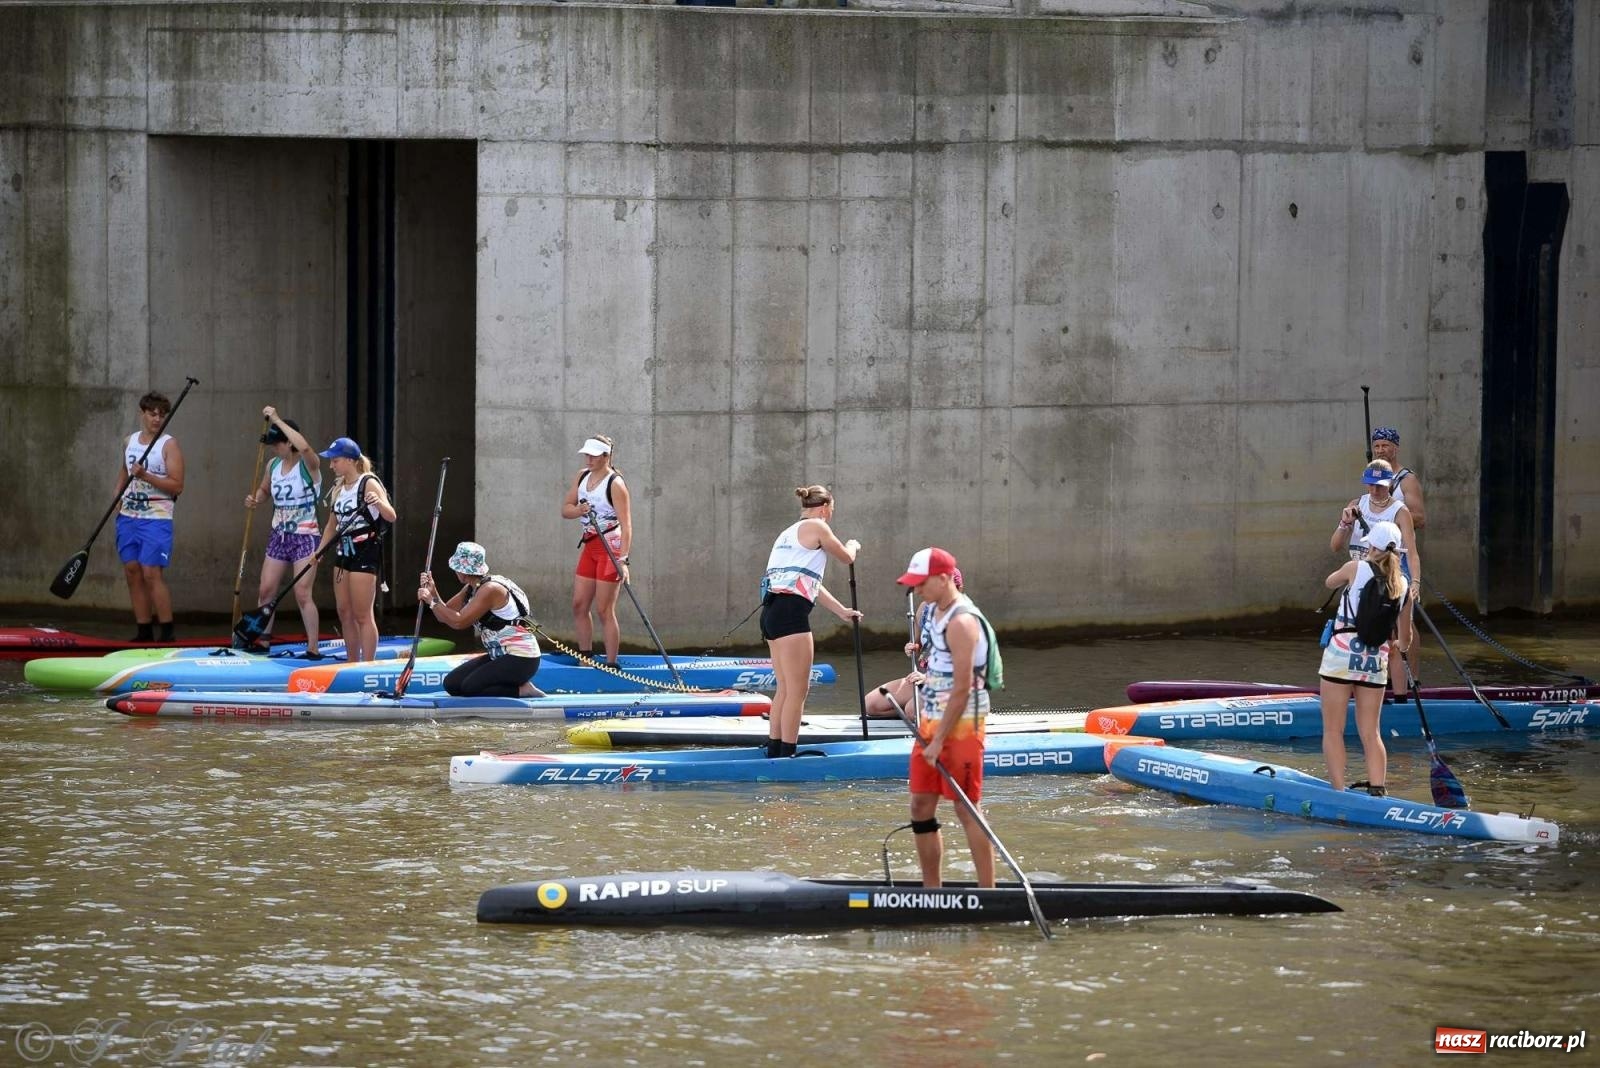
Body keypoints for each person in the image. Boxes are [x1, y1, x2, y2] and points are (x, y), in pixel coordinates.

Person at [896, 548, 995, 888]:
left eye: (920, 584)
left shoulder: (962, 622)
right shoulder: (934, 612)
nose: (916, 591)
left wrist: (939, 741)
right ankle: (932, 891)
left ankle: (989, 894)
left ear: (942, 579)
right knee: (920, 805)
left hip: (963, 726)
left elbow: (964, 689)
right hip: (932, 723)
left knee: (966, 809)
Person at [760, 485, 861, 758]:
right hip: (791, 614)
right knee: (798, 690)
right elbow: (846, 556)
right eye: (831, 511)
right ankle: (788, 753)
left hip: (771, 613)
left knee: (784, 688)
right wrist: (853, 545)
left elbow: (809, 581)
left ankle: (775, 749)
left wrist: (841, 610)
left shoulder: (786, 534)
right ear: (825, 508)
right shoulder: (818, 526)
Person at [1318, 520, 1411, 796]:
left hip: (1340, 658)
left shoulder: (1355, 568)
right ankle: (1378, 790)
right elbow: (1405, 640)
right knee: (1371, 733)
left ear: (1371, 545)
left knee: (1333, 730)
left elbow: (1329, 582)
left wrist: (1359, 560)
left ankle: (1339, 792)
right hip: (1375, 664)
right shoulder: (1403, 584)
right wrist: (1395, 645)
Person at [1331, 458, 1423, 691]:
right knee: (1356, 632)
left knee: (1396, 637)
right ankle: (1359, 684)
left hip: (1388, 579)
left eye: (1380, 485)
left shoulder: (1400, 512)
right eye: (1370, 485)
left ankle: (1405, 689)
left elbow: (1411, 553)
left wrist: (1415, 582)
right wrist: (1344, 524)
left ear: (1390, 483)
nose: (1375, 490)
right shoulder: (1356, 504)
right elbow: (1334, 546)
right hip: (1360, 577)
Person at [418, 542, 544, 698]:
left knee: (469, 688)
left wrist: (431, 601)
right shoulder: (472, 587)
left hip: (521, 658)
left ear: (464, 570)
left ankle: (523, 690)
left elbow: (459, 622)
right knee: (452, 684)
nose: (455, 571)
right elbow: (444, 615)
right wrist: (433, 591)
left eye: (456, 568)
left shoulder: (490, 589)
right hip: (499, 655)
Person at [243, 407, 322, 655]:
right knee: (266, 590)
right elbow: (265, 490)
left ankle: (313, 648)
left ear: (289, 442)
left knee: (302, 593)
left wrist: (276, 420)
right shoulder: (273, 465)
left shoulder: (309, 466)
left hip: (305, 536)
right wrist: (256, 498)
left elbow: (307, 449)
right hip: (279, 534)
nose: (274, 448)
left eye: (277, 443)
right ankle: (262, 641)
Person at [115, 391, 186, 643]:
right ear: (142, 414)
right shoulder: (129, 441)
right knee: (132, 570)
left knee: (150, 573)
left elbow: (177, 486)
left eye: (161, 415)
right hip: (128, 516)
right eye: (152, 414)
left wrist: (147, 476)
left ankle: (167, 632)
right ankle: (143, 631)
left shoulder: (169, 445)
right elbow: (124, 473)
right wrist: (117, 501)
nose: (157, 419)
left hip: (156, 517)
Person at [318, 437, 395, 664]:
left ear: (351, 461)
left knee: (362, 614)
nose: (331, 465)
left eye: (335, 461)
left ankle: (368, 665)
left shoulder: (369, 482)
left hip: (365, 551)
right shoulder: (338, 488)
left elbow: (391, 515)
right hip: (343, 552)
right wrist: (319, 552)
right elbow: (332, 526)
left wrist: (379, 503)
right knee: (344, 612)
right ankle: (352, 663)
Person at [559, 435, 631, 666]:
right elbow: (565, 510)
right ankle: (586, 657)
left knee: (603, 609)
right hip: (590, 546)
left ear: (605, 456)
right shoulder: (582, 476)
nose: (588, 459)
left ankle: (611, 663)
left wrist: (624, 560)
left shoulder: (616, 484)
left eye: (593, 455)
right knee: (579, 605)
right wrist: (580, 510)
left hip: (611, 548)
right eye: (586, 455)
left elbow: (627, 525)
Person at [864, 567, 964, 718]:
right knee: (871, 705)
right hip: (926, 678)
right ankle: (918, 710)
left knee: (913, 710)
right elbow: (918, 644)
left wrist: (927, 679)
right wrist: (912, 647)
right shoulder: (924, 608)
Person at [1370, 426, 1425, 530]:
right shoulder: (1373, 476)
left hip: (1398, 544)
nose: (1380, 450)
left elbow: (1419, 519)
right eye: (1376, 446)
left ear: (1395, 448)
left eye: (1385, 446)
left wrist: (1385, 519)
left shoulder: (1407, 479)